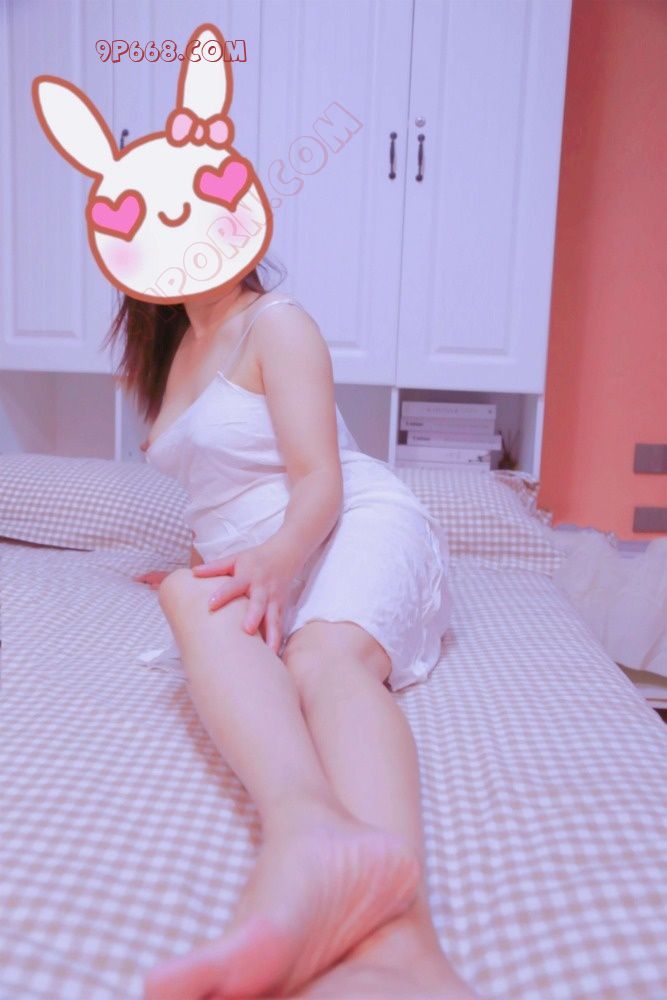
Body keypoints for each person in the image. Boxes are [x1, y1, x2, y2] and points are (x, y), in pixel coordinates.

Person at [122, 266, 474, 999]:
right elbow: (219, 490)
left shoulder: (275, 322)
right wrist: (205, 565)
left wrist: (277, 559)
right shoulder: (168, 347)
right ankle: (309, 831)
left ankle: (403, 944)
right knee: (186, 597)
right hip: (259, 556)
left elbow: (318, 478)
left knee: (322, 659)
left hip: (345, 524)